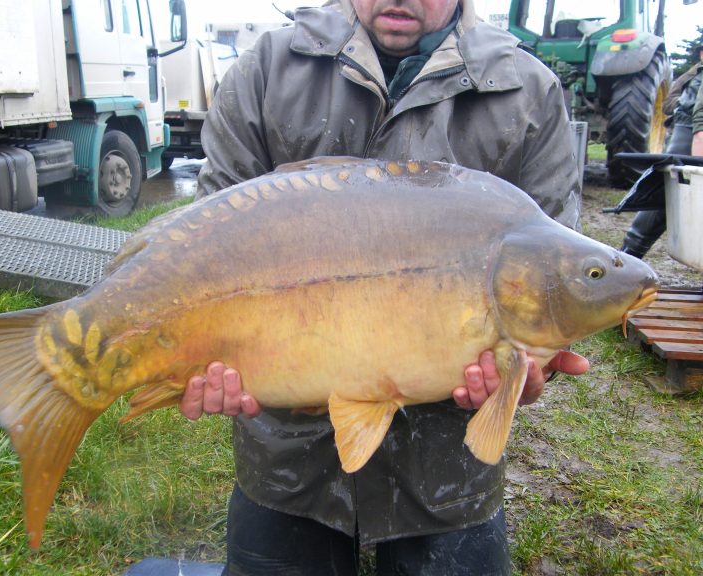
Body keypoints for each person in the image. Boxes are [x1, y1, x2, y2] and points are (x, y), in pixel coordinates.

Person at [180, 1, 589, 574]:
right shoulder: (270, 67)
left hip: (449, 471)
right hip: (286, 458)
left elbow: (556, 268)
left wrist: (525, 372)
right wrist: (201, 356)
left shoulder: (526, 91)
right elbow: (208, 245)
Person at [621, 44, 703, 259]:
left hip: (691, 127)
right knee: (671, 190)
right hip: (689, 130)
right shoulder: (693, 76)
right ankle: (628, 255)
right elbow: (674, 107)